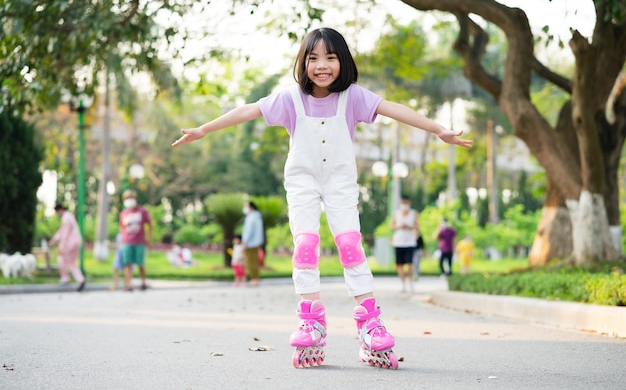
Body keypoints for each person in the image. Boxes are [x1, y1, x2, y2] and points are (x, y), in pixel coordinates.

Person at [172, 27, 472, 369]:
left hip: (341, 182)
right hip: (302, 182)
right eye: (313, 58)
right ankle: (310, 318)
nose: (322, 65)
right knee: (305, 244)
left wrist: (438, 130)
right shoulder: (290, 99)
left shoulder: (353, 97)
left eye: (330, 57)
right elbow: (247, 110)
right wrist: (204, 129)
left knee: (349, 244)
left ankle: (370, 322)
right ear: (303, 62)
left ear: (342, 61)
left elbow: (394, 109)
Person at [119, 189, 152, 291]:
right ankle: (128, 285)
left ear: (135, 199)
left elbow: (149, 224)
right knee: (127, 263)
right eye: (127, 198)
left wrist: (148, 237)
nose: (129, 200)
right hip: (127, 242)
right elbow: (121, 227)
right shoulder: (123, 213)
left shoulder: (142, 211)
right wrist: (122, 238)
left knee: (140, 263)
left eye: (131, 198)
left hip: (139, 241)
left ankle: (143, 282)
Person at [49, 203, 86, 292]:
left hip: (70, 243)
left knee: (61, 259)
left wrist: (62, 246)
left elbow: (64, 233)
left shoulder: (66, 218)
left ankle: (65, 279)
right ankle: (80, 280)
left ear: (60, 210)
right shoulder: (69, 216)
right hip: (76, 242)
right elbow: (61, 231)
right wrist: (53, 240)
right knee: (72, 263)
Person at [390, 195, 419, 293]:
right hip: (398, 242)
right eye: (403, 203)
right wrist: (399, 226)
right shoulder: (396, 213)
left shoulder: (414, 213)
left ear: (409, 203)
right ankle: (403, 284)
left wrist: (410, 226)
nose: (404, 205)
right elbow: (391, 226)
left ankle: (410, 282)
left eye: (406, 203)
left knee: (410, 264)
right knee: (399, 265)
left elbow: (417, 226)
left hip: (410, 242)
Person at [241, 201, 264, 287]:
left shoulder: (251, 217)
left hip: (251, 243)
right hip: (256, 242)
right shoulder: (257, 216)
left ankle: (254, 279)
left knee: (251, 262)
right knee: (254, 261)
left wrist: (244, 241)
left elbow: (248, 231)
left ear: (251, 207)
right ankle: (256, 278)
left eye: (246, 206)